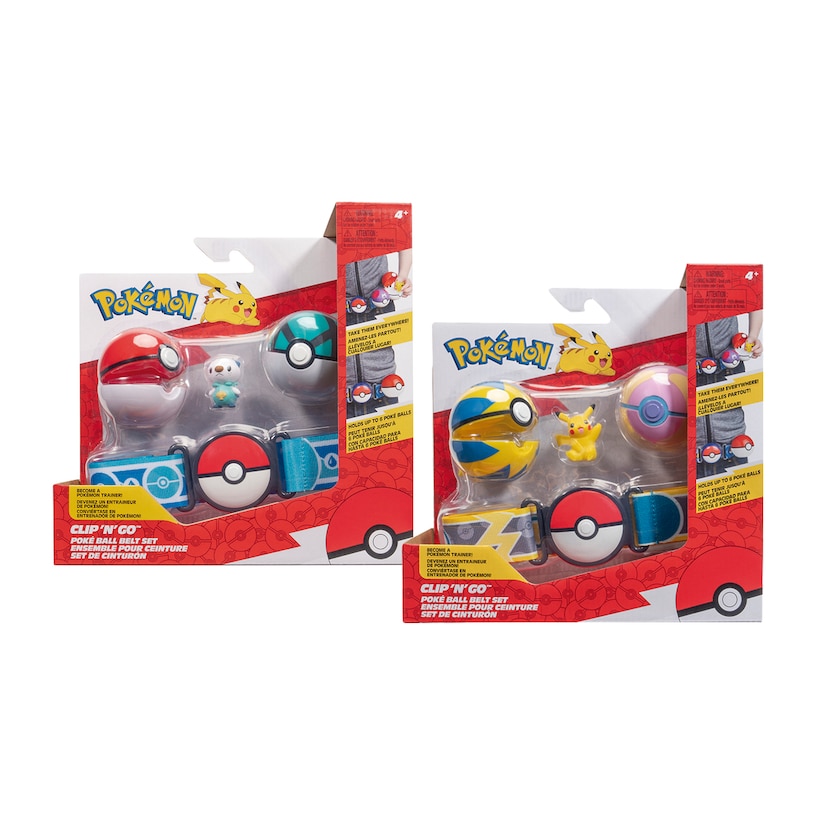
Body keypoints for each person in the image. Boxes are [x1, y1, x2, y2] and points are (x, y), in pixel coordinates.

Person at [345, 250, 412, 418]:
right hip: (342, 305)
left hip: (378, 302)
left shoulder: (379, 228)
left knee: (379, 362)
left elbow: (403, 238)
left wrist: (403, 275)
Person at [695, 312, 762, 478]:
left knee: (730, 424)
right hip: (692, 365)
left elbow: (753, 299)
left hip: (729, 363)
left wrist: (753, 335)